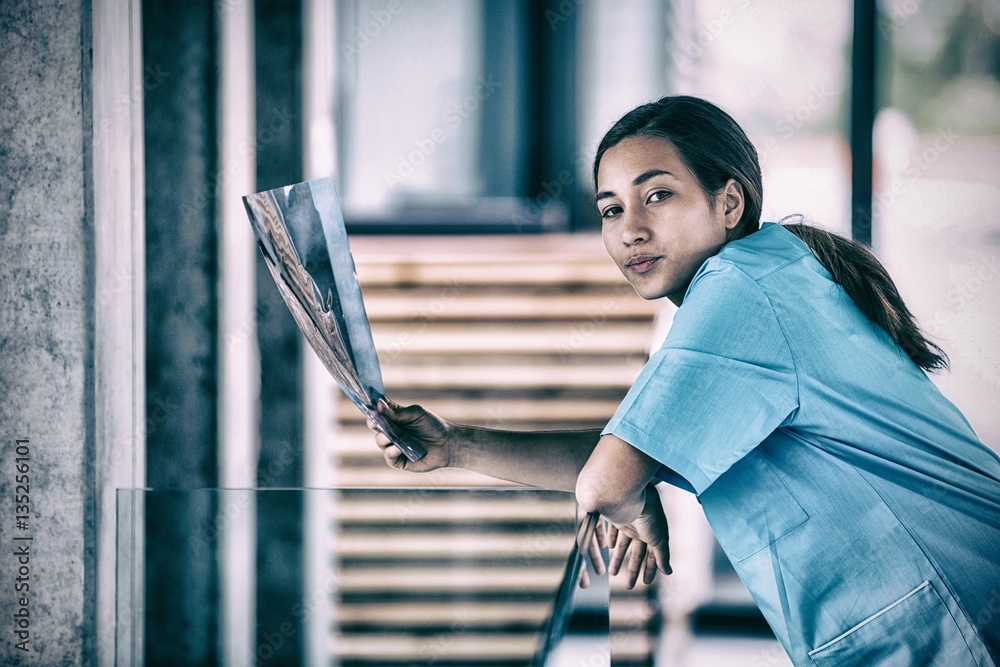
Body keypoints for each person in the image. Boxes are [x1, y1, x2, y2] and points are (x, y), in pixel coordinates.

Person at [369, 95, 1000, 666]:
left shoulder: (740, 290)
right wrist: (456, 445)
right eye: (611, 209)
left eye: (659, 195)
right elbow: (630, 452)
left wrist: (629, 495)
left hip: (955, 616)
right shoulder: (769, 270)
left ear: (729, 202)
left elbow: (608, 478)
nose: (630, 229)